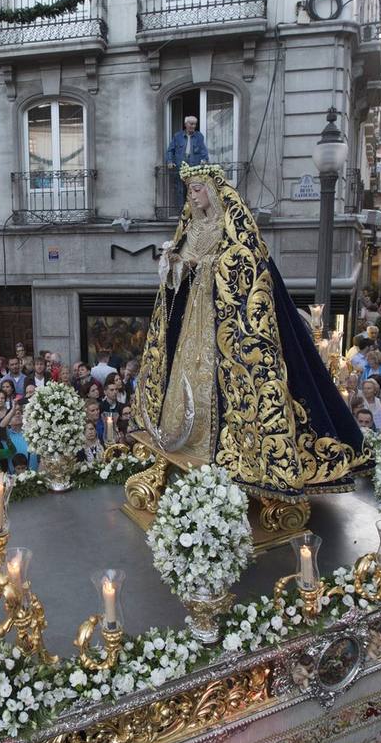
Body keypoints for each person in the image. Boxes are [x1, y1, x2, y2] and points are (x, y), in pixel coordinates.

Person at [135, 162, 363, 500]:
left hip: (224, 319)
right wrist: (173, 263)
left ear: (213, 189)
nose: (192, 196)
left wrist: (209, 265)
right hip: (193, 320)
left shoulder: (233, 226)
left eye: (197, 188)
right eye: (189, 191)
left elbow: (247, 265)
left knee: (227, 382)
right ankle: (186, 438)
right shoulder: (192, 228)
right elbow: (176, 277)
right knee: (186, 372)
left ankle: (230, 450)